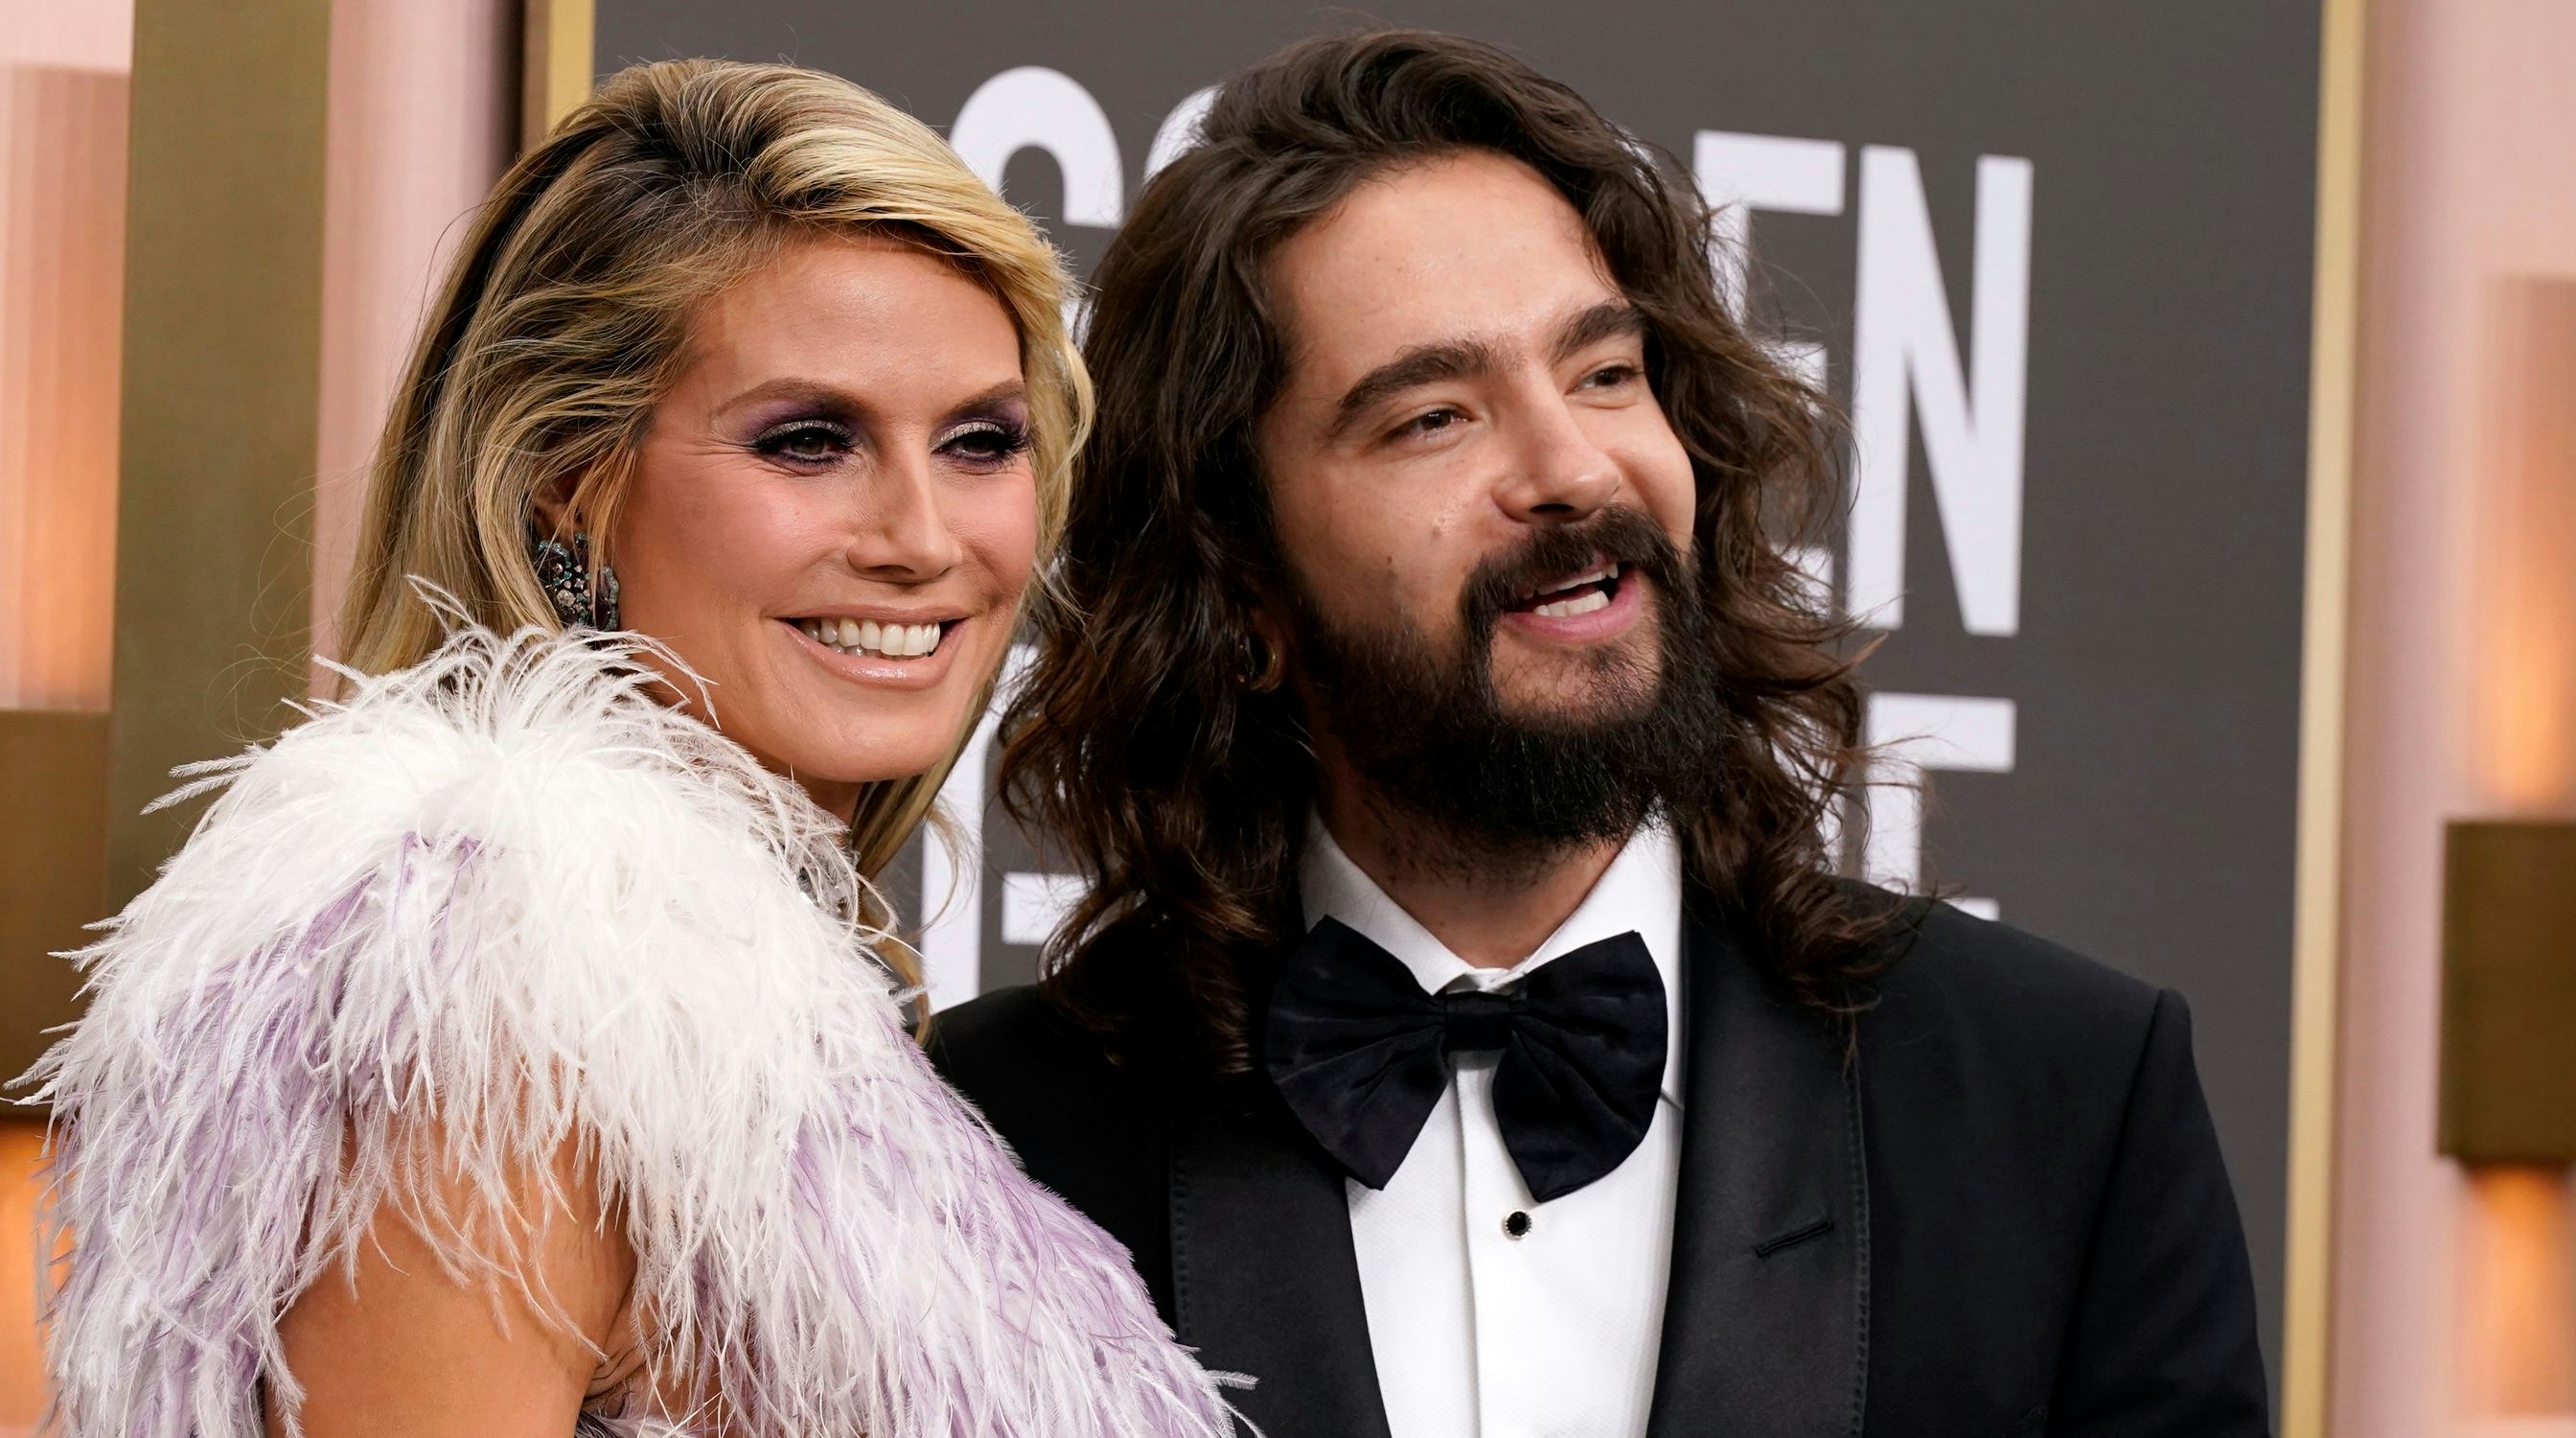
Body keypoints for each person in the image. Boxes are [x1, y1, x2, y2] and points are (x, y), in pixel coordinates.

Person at [930, 29, 2271, 1438]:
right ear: (1243, 586)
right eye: (1435, 416)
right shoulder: (990, 1143)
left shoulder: (2060, 1097)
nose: (1571, 469)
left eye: (1607, 373)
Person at [27, 60, 1233, 1438]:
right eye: (808, 440)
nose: (923, 538)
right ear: (568, 477)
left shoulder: (718, 1016)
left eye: (979, 441)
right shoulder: (516, 990)